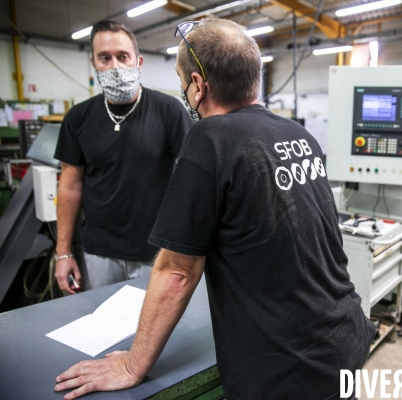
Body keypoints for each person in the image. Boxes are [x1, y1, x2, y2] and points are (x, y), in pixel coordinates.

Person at [54, 18, 375, 399]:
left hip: (290, 368)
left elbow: (176, 271)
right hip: (345, 337)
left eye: (181, 79)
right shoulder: (298, 134)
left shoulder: (211, 138)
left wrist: (130, 364)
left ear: (198, 85)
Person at [54, 20, 192, 293]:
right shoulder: (78, 118)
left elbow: (193, 177)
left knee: (156, 332)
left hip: (156, 252)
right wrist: (63, 253)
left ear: (138, 61)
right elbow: (69, 186)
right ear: (94, 62)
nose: (115, 66)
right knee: (102, 331)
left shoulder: (169, 111)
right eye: (105, 58)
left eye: (122, 56)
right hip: (100, 254)